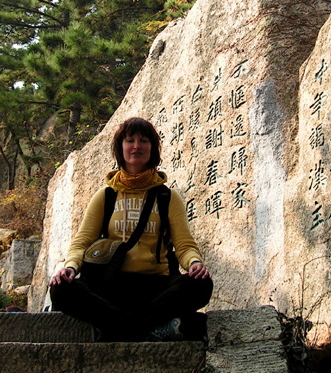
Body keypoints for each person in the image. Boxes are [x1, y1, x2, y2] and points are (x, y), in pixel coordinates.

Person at [49, 117, 213, 341]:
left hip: (155, 286)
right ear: (121, 148)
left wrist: (195, 263)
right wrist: (70, 267)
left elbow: (184, 245)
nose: (137, 146)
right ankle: (153, 328)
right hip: (110, 285)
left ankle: (113, 328)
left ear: (152, 149)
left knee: (201, 284)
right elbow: (82, 241)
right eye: (130, 140)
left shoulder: (167, 197)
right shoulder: (106, 196)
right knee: (61, 290)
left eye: (144, 141)